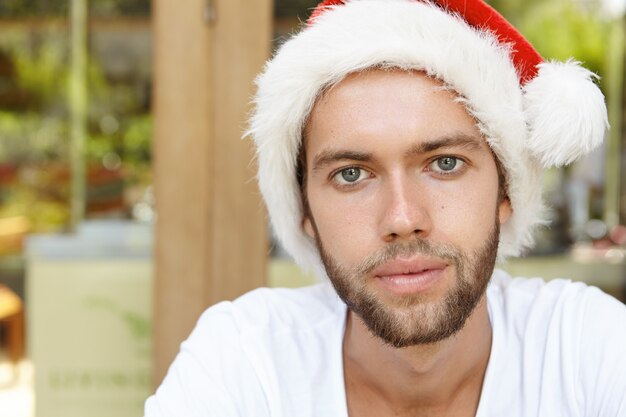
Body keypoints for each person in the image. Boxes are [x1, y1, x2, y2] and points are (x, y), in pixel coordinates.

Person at [145, 0, 626, 416]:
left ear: (506, 192)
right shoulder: (244, 358)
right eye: (351, 174)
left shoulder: (589, 348)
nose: (402, 218)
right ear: (304, 212)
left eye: (445, 163)